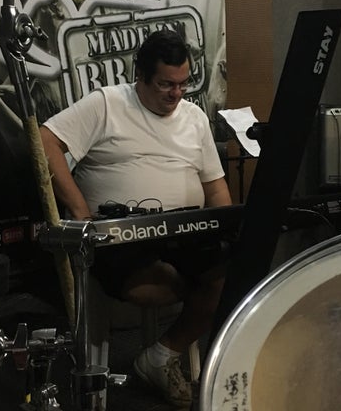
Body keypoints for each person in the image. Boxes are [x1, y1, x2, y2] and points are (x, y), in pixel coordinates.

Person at [40, 29, 232, 407]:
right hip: (120, 241)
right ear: (140, 76)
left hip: (185, 236)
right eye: (165, 84)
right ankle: (164, 354)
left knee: (232, 275)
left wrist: (228, 228)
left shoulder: (194, 117)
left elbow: (215, 188)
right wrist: (80, 211)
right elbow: (45, 141)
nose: (176, 94)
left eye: (183, 84)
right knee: (163, 284)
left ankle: (160, 355)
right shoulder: (107, 103)